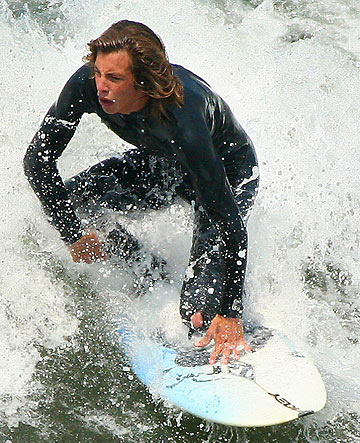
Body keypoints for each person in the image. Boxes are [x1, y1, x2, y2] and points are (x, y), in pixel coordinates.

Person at [24, 20, 259, 364]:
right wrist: (72, 234)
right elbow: (38, 161)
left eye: (115, 79)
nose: (100, 87)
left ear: (145, 83)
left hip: (227, 172)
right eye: (99, 73)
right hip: (166, 163)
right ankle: (150, 271)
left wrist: (233, 312)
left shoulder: (185, 117)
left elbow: (230, 223)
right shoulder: (87, 85)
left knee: (198, 314)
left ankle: (225, 323)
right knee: (71, 205)